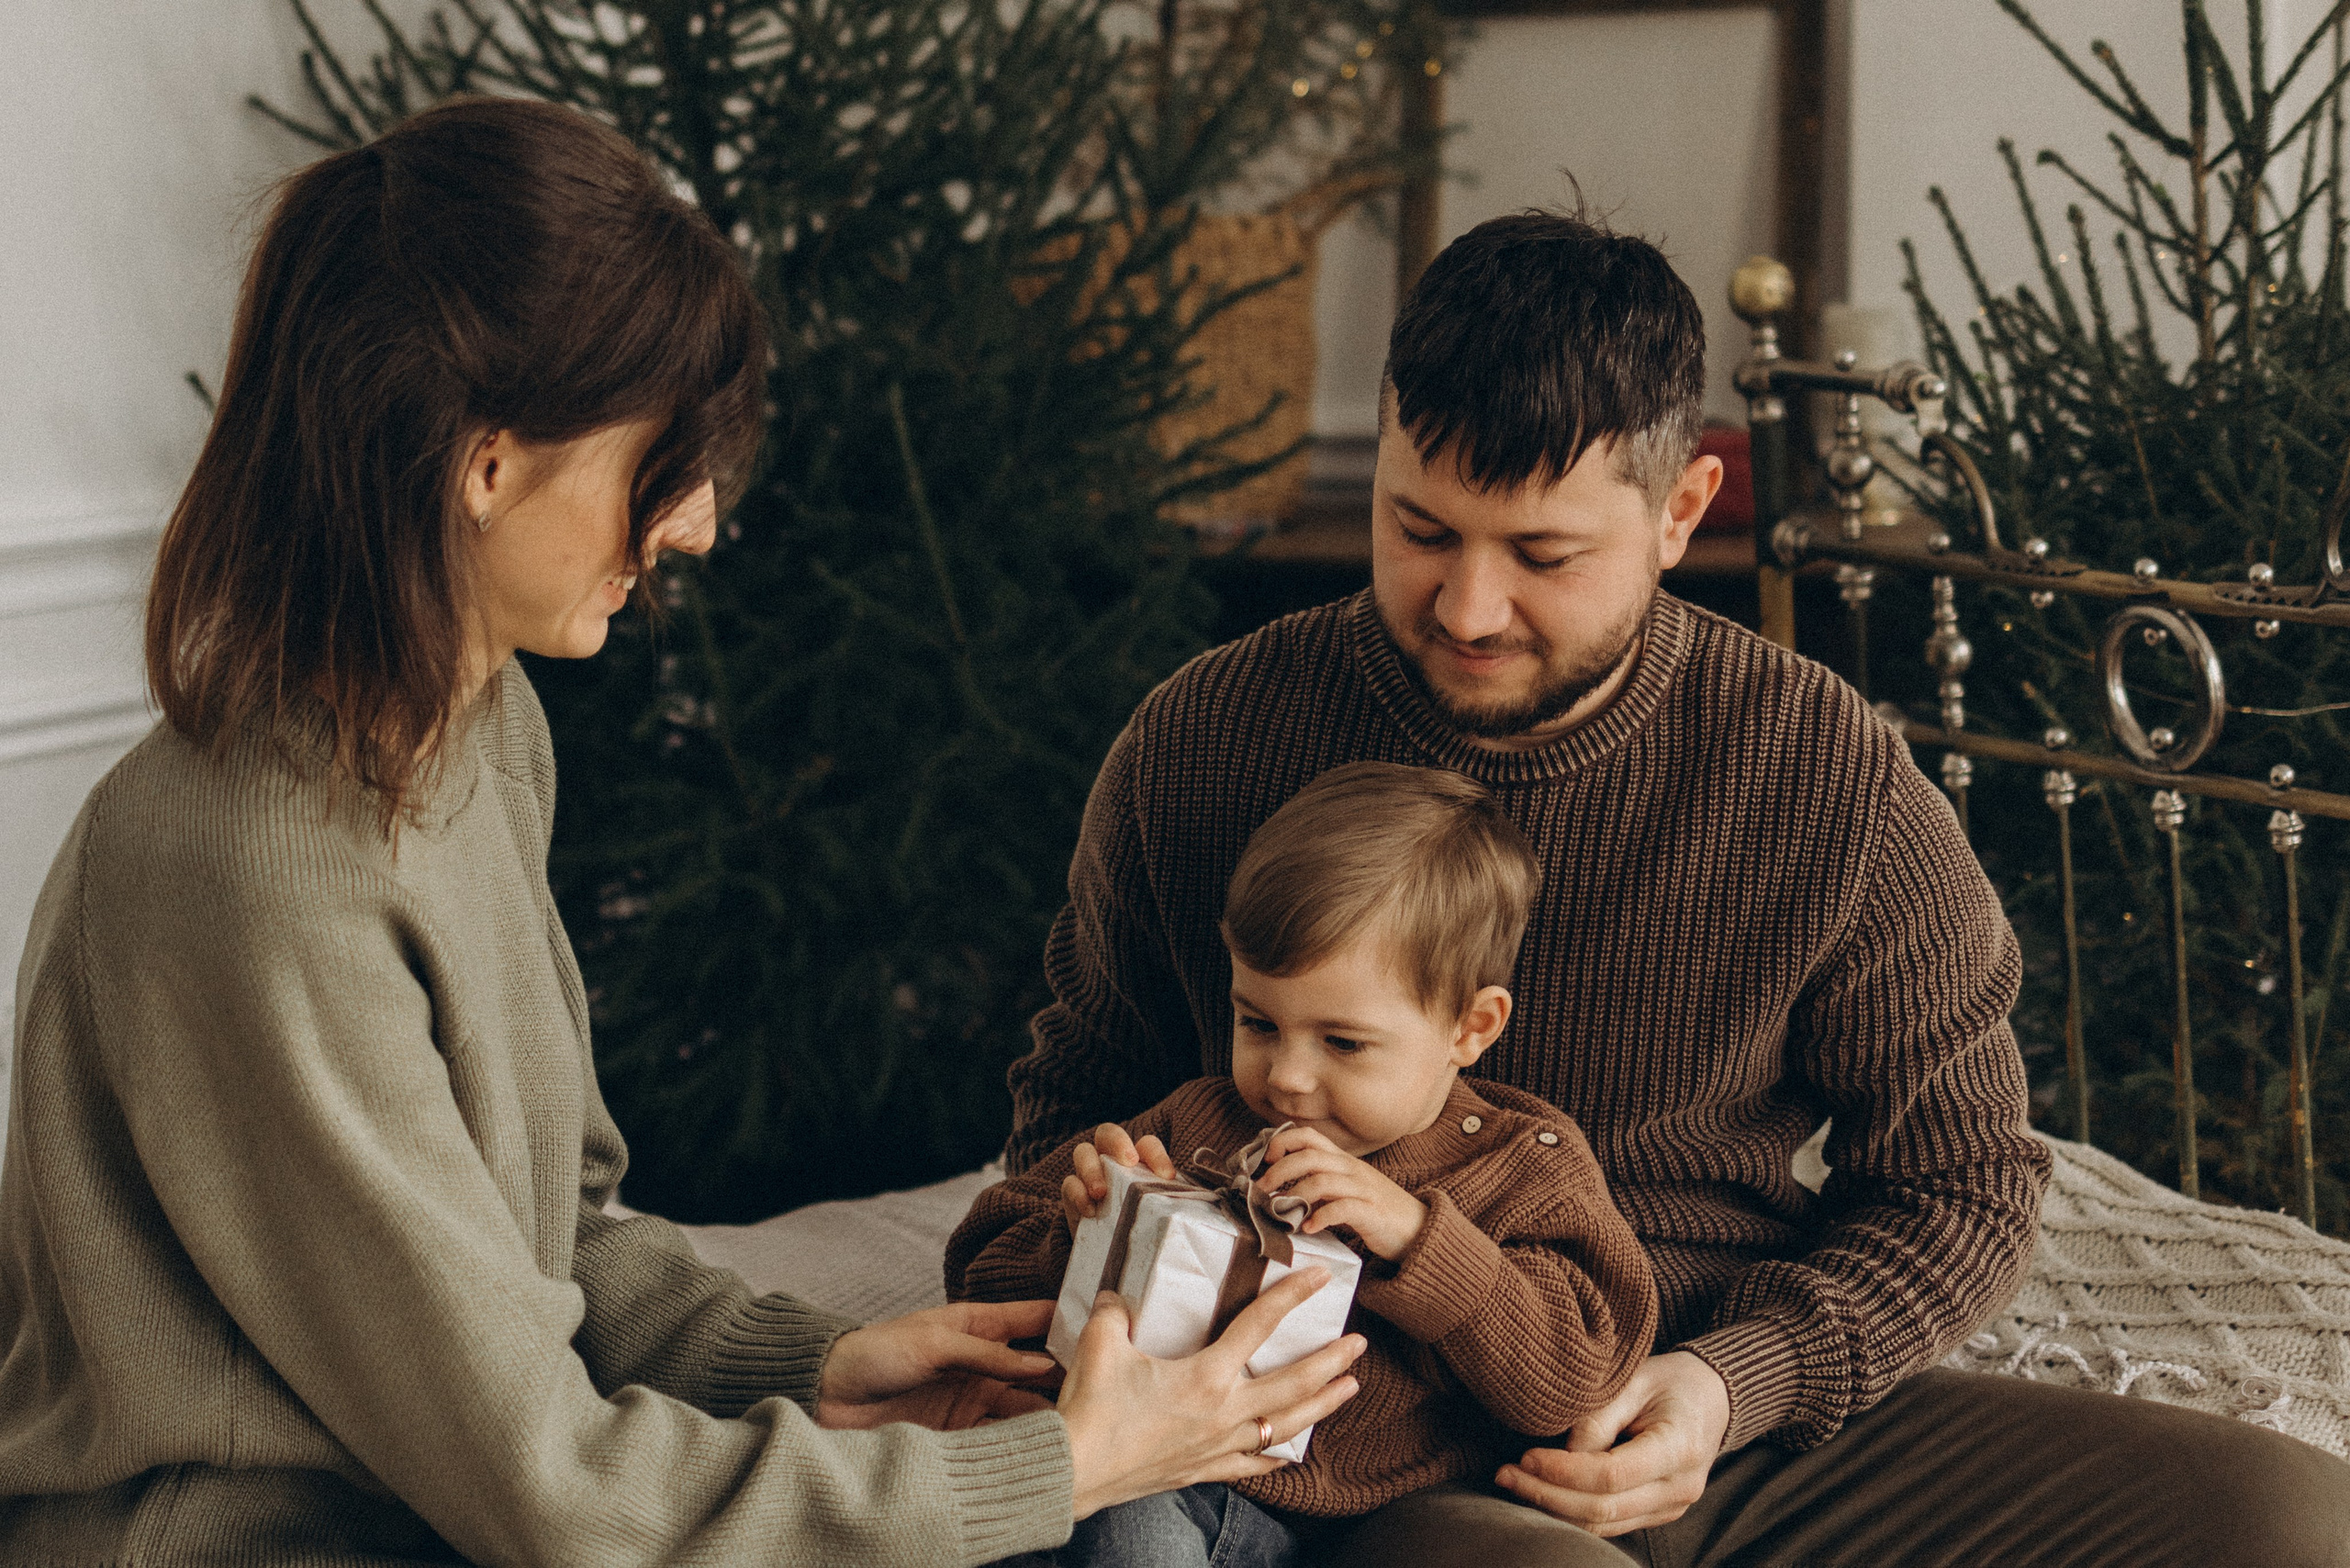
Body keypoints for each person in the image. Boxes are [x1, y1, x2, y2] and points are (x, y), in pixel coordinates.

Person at [0, 96, 1368, 1567]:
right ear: (488, 462)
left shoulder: (478, 727)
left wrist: (817, 1364)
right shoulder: (262, 878)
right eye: (665, 461)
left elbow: (556, 1233)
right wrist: (1061, 1468)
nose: (701, 523)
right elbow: (550, 1490)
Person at [1001, 211, 2350, 1565]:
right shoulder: (1206, 741)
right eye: (1420, 529)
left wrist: (1731, 1384)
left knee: (2287, 1519)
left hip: (1714, 1410)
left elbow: (1964, 1183)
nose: (1469, 608)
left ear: (1680, 511)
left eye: (1543, 556)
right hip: (1374, 1447)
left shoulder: (1822, 770)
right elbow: (1071, 1109)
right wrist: (1100, 1202)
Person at [946, 761, 1659, 1566]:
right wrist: (1084, 1239)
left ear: (1472, 1026)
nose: (1286, 1076)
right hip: (1167, 1476)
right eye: (1258, 1022)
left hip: (1391, 1518)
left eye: (1342, 1042)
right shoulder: (1197, 1121)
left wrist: (1418, 1236)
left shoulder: (1525, 1164)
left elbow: (1573, 1381)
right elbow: (976, 1282)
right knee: (1107, 1526)